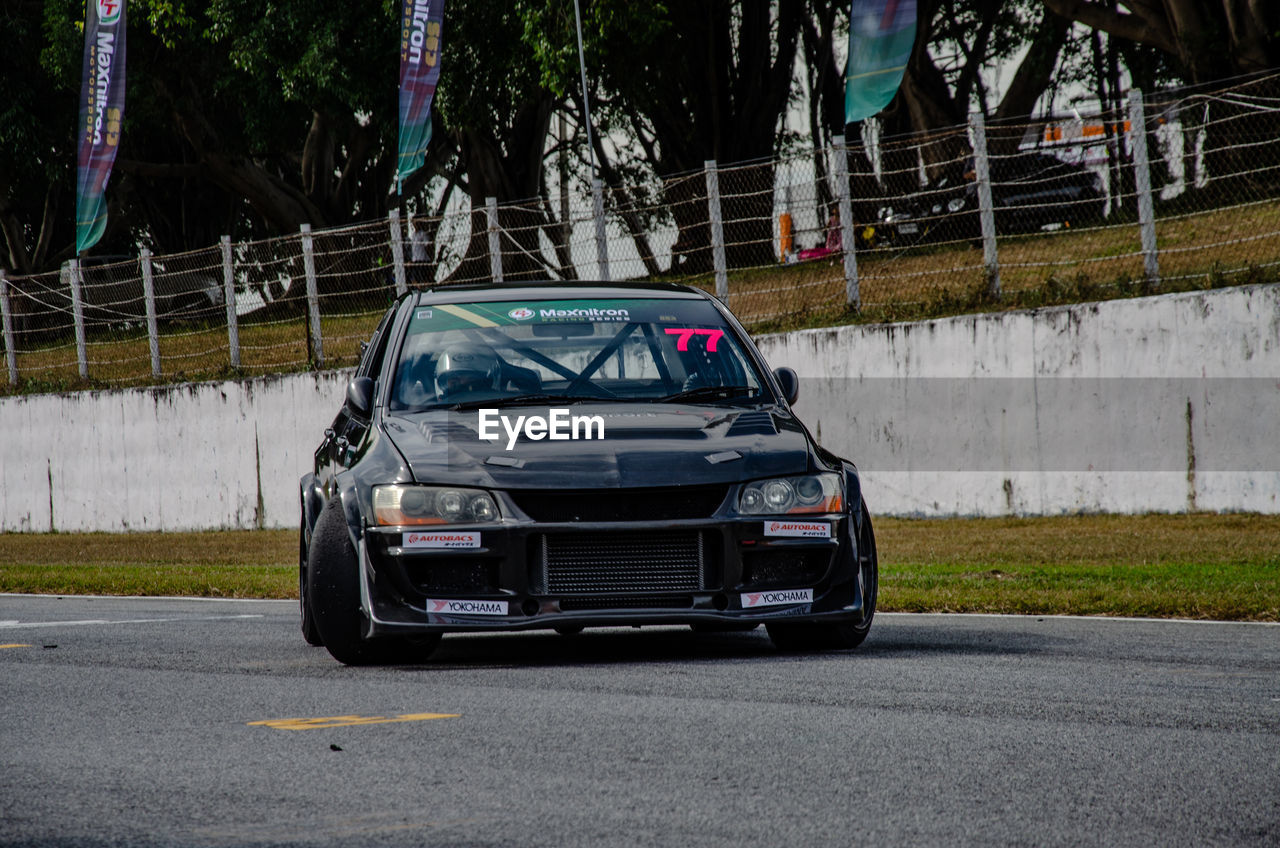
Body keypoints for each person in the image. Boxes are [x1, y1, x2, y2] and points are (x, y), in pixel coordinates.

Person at [434, 343, 500, 399]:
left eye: (471, 379)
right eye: (455, 381)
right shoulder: (436, 409)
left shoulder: (500, 401)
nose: (463, 382)